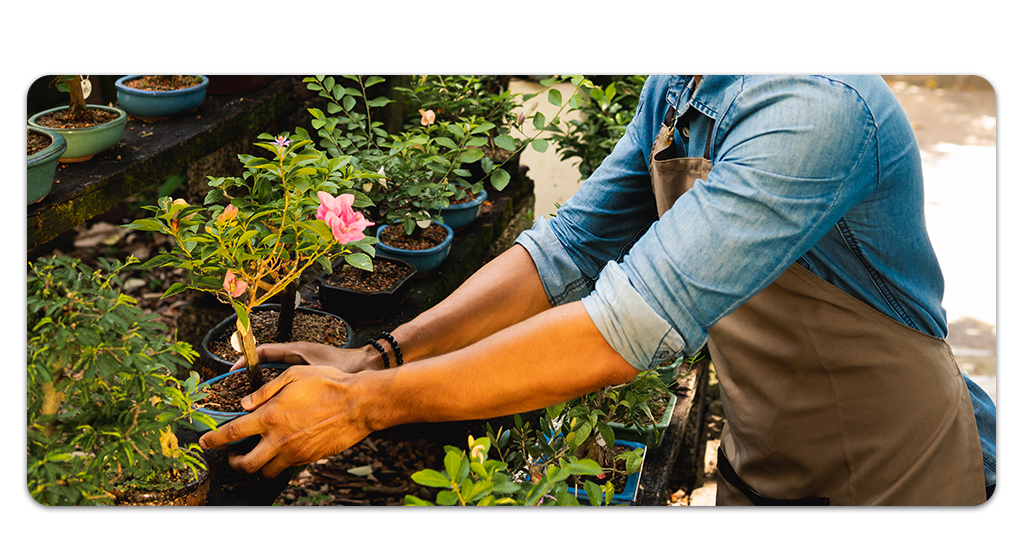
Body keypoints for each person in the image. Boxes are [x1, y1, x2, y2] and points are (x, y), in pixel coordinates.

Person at [199, 75, 996, 505]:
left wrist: (361, 407)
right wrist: (377, 356)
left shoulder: (814, 105)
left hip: (893, 471)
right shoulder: (684, 83)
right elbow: (567, 250)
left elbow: (624, 329)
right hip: (767, 448)